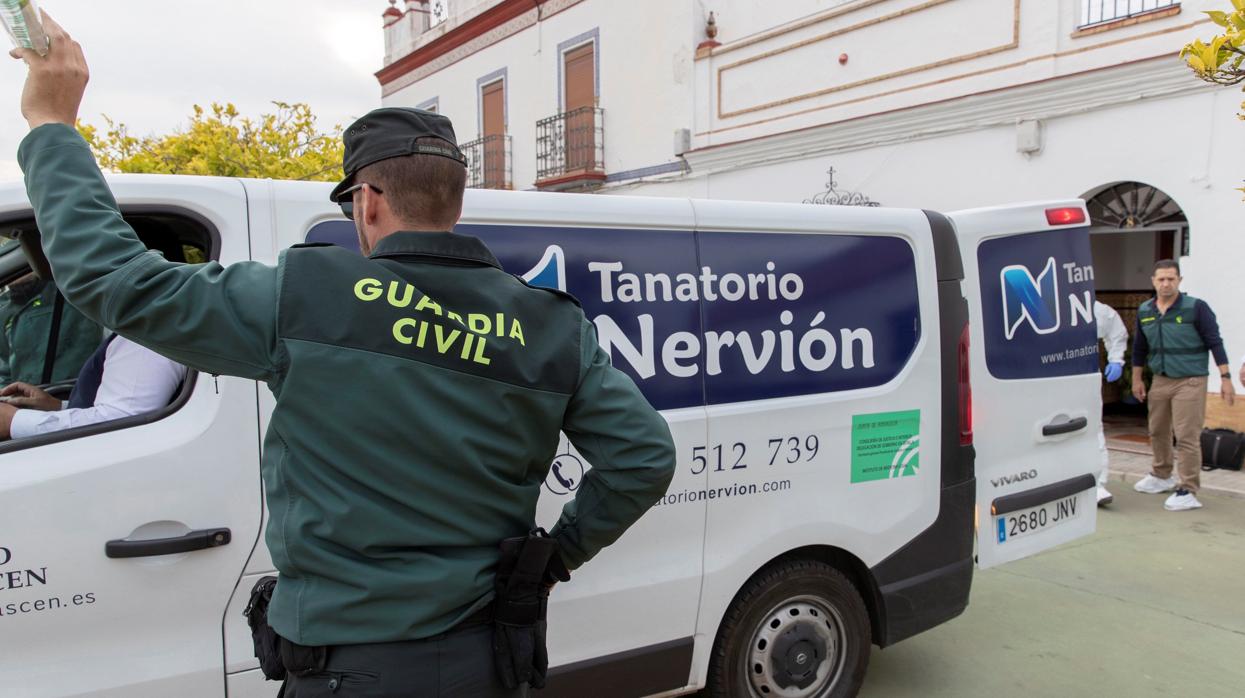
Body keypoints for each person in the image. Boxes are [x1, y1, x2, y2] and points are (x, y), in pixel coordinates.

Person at [10, 16, 675, 698]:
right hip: (492, 661)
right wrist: (554, 557)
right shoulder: (548, 324)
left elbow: (116, 281)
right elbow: (643, 457)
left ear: (367, 201)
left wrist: (51, 124)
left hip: (355, 672)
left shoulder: (308, 296)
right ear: (452, 199)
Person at [1130, 260, 1234, 512]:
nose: (1166, 284)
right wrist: (1136, 378)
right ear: (1153, 281)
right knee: (1158, 430)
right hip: (1161, 379)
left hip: (1190, 380)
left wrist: (1226, 378)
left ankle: (1188, 489)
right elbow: (1139, 348)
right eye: (1161, 279)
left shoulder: (1196, 308)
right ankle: (1161, 475)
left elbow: (1215, 342)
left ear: (1179, 280)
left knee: (1186, 436)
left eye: (1171, 279)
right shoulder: (1145, 310)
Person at [0, 333, 187, 440]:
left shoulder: (146, 335)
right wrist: (58, 407)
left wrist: (14, 422)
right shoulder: (138, 327)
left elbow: (120, 422)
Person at [0, 273, 100, 386]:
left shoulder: (69, 292)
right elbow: (4, 371)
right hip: (25, 397)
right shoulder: (5, 309)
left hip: (74, 392)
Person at [1094, 300, 1128, 506]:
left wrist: (1116, 359)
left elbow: (1117, 334)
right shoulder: (1047, 304)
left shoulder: (1098, 310)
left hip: (1086, 378)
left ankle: (1098, 484)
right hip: (1050, 378)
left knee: (1093, 430)